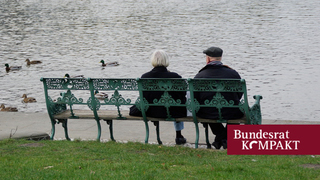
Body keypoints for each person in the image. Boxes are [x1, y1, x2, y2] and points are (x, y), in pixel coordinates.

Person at [129, 50, 187, 145]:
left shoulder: (145, 77)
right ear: (166, 61)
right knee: (179, 102)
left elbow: (143, 97)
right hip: (174, 111)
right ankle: (178, 135)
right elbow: (182, 95)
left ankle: (153, 137)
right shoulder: (175, 76)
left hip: (151, 111)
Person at [194, 46, 244, 149]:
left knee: (205, 111)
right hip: (231, 111)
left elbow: (196, 97)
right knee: (236, 111)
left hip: (207, 112)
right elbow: (239, 93)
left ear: (208, 59)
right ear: (220, 58)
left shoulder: (200, 75)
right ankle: (226, 140)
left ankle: (220, 139)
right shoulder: (233, 74)